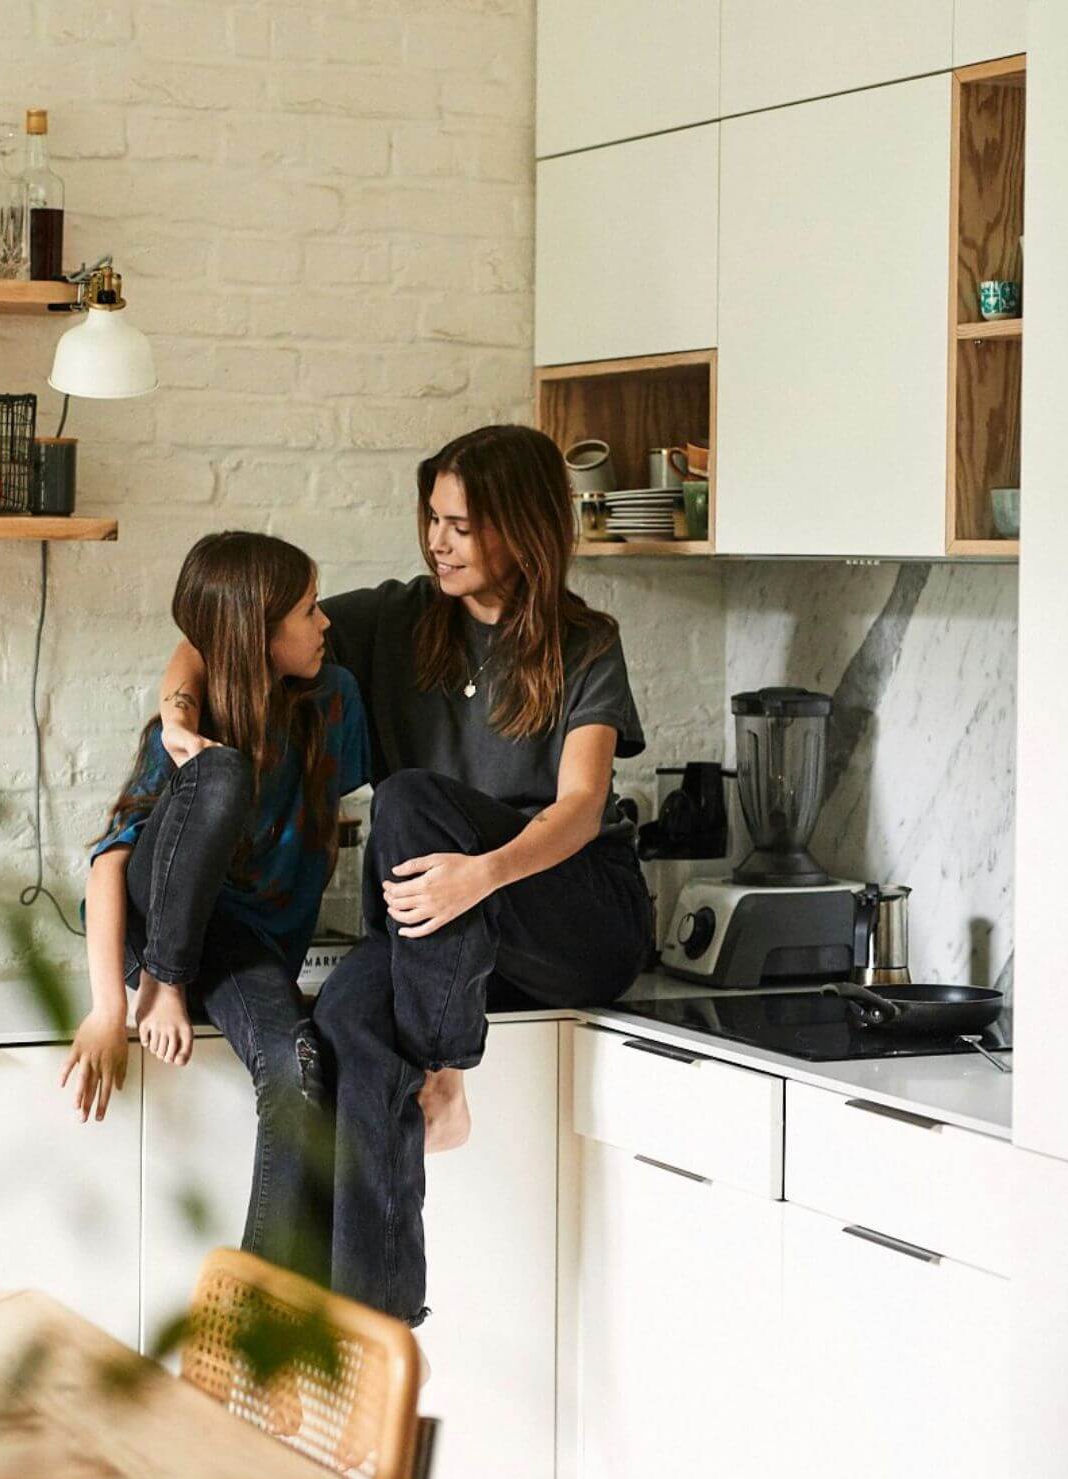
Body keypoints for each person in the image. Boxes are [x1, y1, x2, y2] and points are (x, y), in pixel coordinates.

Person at [154, 424, 654, 1326]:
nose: (438, 541)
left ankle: (447, 1077)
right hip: (450, 946)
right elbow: (229, 622)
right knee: (346, 1018)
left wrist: (483, 876)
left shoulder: (585, 642)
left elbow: (579, 807)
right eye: (431, 519)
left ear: (524, 528)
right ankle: (372, 1325)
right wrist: (176, 710)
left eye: (460, 525)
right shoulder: (399, 617)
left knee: (415, 797)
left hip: (574, 918)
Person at [60, 530, 372, 1282]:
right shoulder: (183, 740)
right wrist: (116, 1006)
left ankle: (262, 1312)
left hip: (244, 949)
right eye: (307, 611)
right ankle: (163, 977)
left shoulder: (336, 701)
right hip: (159, 922)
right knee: (222, 772)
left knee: (301, 1072)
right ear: (256, 634)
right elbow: (109, 864)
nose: (324, 622)